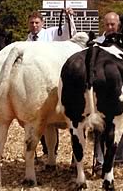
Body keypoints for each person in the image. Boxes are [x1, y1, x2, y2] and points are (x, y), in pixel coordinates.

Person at [26, 8, 77, 158]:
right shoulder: (28, 40)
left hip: (53, 80)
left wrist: (69, 17)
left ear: (43, 23)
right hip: (36, 83)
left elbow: (68, 33)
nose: (34, 25)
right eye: (32, 23)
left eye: (37, 22)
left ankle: (57, 153)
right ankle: (46, 152)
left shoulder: (52, 33)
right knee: (40, 121)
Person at [94, 11, 123, 172]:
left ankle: (120, 159)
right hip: (103, 91)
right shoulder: (96, 43)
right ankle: (100, 161)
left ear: (118, 25)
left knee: (122, 124)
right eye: (107, 24)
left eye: (112, 24)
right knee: (100, 127)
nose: (110, 27)